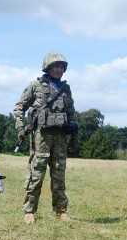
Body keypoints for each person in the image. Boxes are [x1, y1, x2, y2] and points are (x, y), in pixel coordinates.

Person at [13, 53, 78, 225]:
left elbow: (71, 111)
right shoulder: (35, 86)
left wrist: (72, 125)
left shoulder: (66, 89)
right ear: (48, 67)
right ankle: (29, 211)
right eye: (56, 66)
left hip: (60, 137)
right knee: (36, 173)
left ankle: (61, 211)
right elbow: (19, 107)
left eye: (62, 66)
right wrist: (20, 127)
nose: (59, 69)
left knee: (59, 174)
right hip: (41, 136)